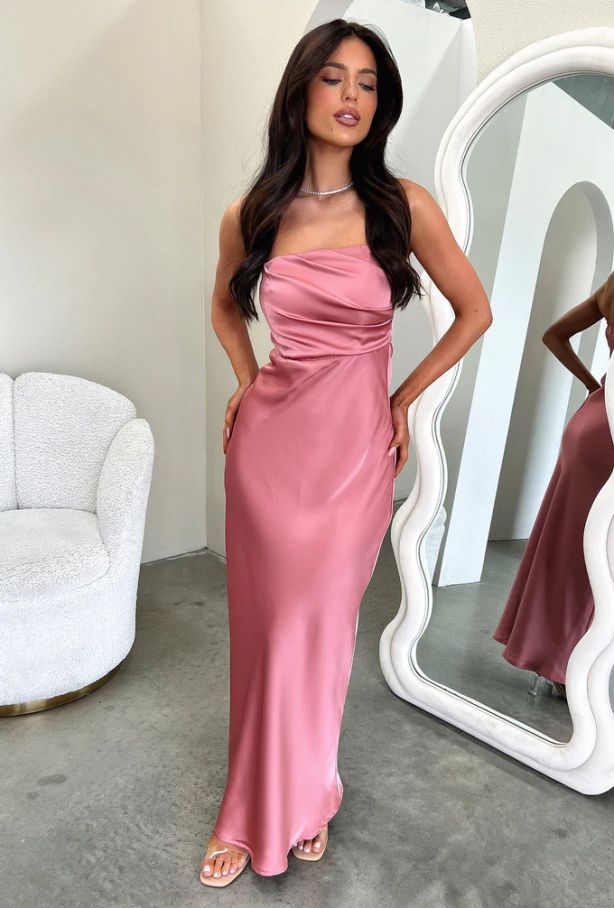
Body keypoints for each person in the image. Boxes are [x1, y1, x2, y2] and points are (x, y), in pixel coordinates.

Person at [201, 18, 491, 886]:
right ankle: (248, 811)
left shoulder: (404, 205)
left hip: (355, 454)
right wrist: (247, 378)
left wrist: (401, 398)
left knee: (320, 630)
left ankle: (309, 791)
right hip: (269, 452)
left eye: (368, 83)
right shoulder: (252, 213)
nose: (352, 96)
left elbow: (474, 311)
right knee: (266, 632)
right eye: (334, 78)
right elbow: (222, 306)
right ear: (301, 90)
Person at [493, 271, 614, 699]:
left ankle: (555, 661)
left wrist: (595, 387)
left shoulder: (612, 284)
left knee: (570, 546)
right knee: (597, 554)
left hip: (593, 423)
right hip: (607, 437)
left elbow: (554, 335)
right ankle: (569, 666)